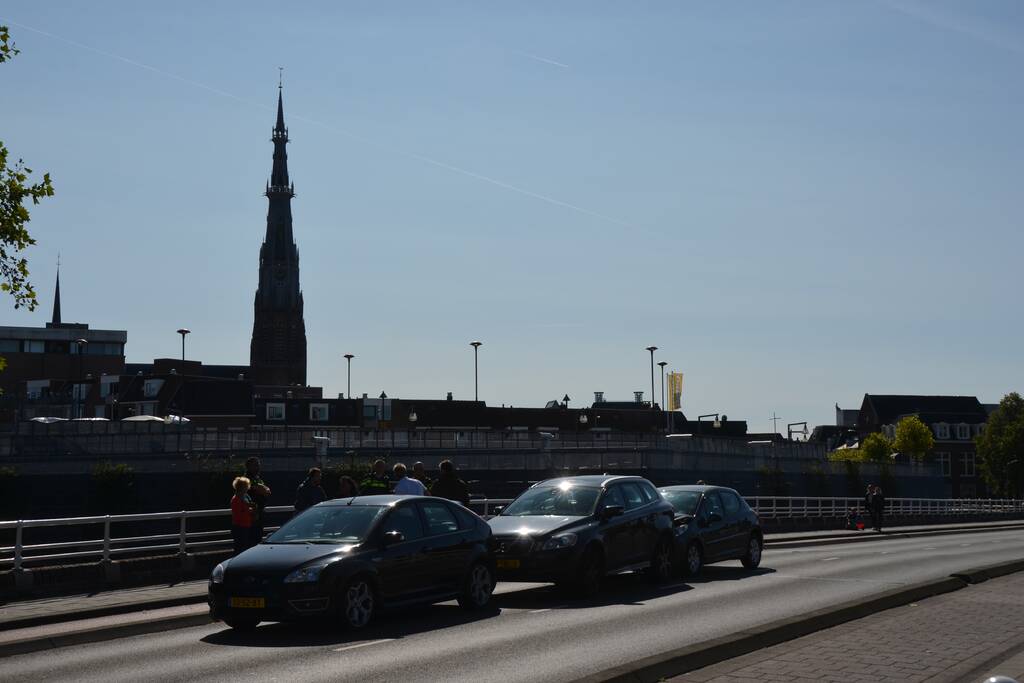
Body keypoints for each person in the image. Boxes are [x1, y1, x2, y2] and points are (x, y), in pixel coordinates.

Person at [245, 456, 272, 541]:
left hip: (259, 513)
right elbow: (262, 490)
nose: (258, 467)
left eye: (258, 465)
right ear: (249, 467)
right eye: (255, 465)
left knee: (258, 537)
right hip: (251, 514)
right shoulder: (247, 479)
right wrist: (263, 489)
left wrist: (263, 489)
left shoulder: (258, 479)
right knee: (251, 539)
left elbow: (267, 491)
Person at [230, 476, 257, 555]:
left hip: (246, 525)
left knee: (244, 547)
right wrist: (250, 510)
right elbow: (240, 513)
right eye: (245, 486)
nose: (247, 488)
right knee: (240, 548)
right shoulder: (236, 499)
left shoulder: (245, 497)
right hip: (240, 526)